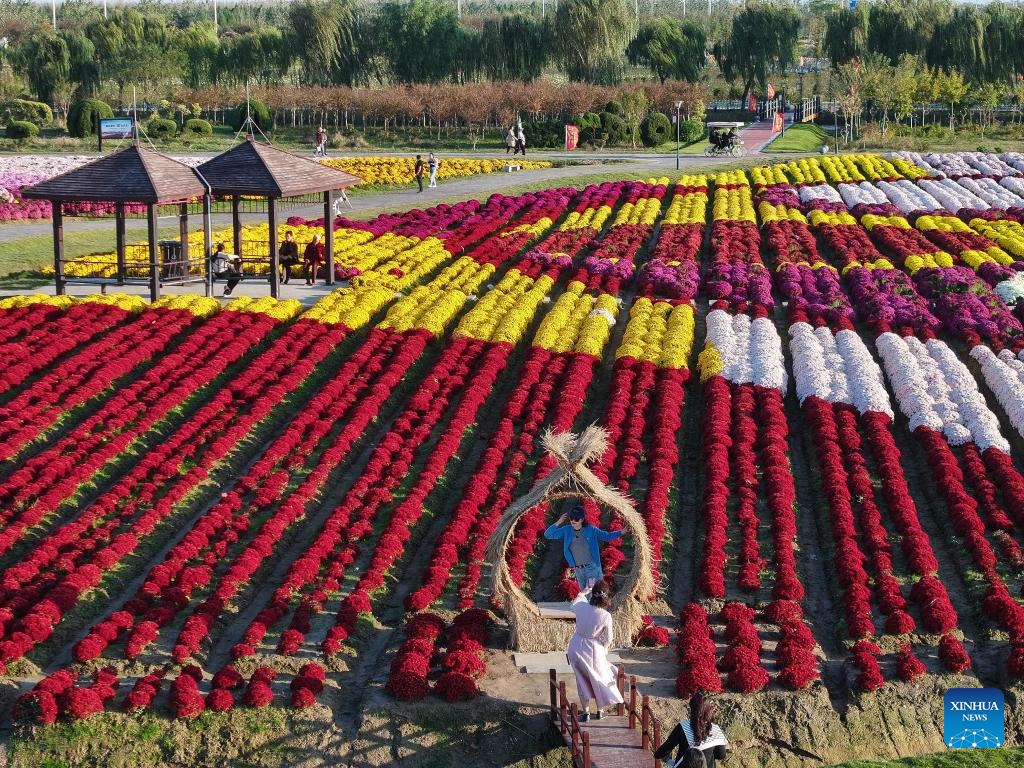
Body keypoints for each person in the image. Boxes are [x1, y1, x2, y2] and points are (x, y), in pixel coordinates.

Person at [567, 579, 624, 723]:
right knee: (600, 678)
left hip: (575, 646)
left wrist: (585, 589)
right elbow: (609, 638)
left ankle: (585, 713)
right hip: (593, 648)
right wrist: (603, 647)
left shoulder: (581, 606)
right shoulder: (606, 616)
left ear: (592, 594)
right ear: (606, 596)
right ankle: (600, 711)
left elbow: (573, 603)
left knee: (581, 679)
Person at [544, 505, 623, 589]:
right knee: (584, 596)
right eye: (571, 518)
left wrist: (622, 532)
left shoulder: (591, 530)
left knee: (594, 595)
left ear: (582, 519)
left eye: (576, 519)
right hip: (578, 570)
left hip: (592, 569)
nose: (573, 521)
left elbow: (607, 536)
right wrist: (558, 522)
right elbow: (548, 535)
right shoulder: (567, 530)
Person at [654, 692, 730, 768]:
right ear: (708, 709)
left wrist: (669, 761)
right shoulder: (715, 729)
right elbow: (721, 755)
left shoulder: (682, 727)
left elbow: (664, 750)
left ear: (691, 708)